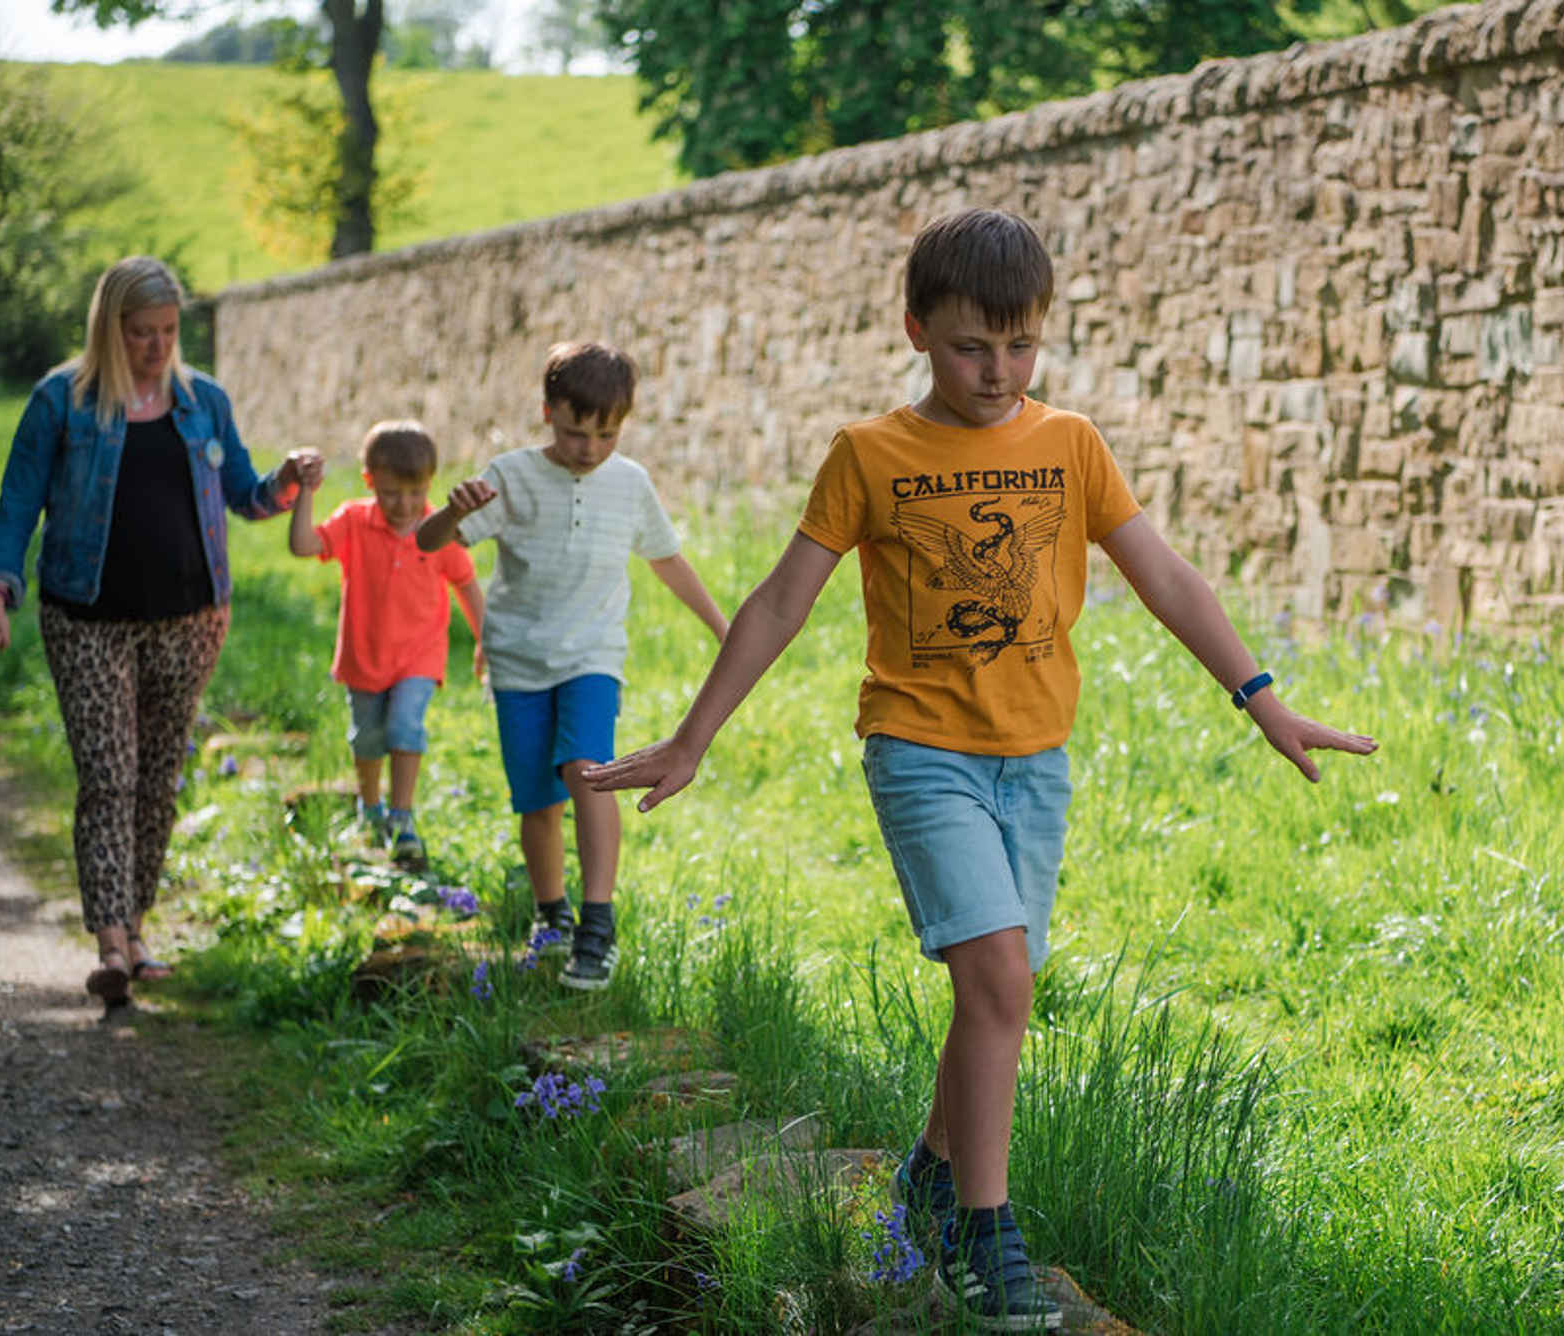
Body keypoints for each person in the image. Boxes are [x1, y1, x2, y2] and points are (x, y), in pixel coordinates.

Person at [583, 208, 1377, 1330]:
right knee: (999, 980)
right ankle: (981, 1233)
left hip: (1035, 764)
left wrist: (1261, 699)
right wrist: (691, 737)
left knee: (992, 997)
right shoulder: (870, 455)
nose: (996, 372)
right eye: (968, 346)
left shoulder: (1070, 445)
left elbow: (1165, 577)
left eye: (1019, 346)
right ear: (915, 329)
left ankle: (922, 1177)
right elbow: (777, 602)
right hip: (920, 752)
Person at [0, 255, 321, 1010]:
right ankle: (112, 943)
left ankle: (139, 922)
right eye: (139, 333)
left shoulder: (202, 402)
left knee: (158, 778)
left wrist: (288, 482)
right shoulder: (62, 402)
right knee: (108, 777)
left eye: (166, 331)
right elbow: (18, 503)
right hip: (85, 617)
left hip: (190, 619)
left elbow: (244, 497)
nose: (156, 347)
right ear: (108, 328)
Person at [416, 341, 729, 990]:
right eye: (573, 431)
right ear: (547, 412)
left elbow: (667, 558)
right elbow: (427, 543)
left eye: (606, 434)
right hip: (518, 660)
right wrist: (452, 510)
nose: (589, 448)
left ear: (625, 423)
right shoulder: (511, 474)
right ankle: (550, 913)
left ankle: (597, 922)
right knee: (537, 802)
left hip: (592, 655)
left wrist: (725, 629)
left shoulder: (630, 483)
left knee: (589, 772)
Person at [287, 419, 485, 866]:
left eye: (416, 494)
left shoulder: (438, 529)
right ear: (369, 482)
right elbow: (302, 545)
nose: (405, 505)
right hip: (364, 656)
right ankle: (369, 809)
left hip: (418, 656)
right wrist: (305, 493)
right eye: (392, 493)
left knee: (404, 727)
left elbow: (467, 584)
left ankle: (401, 817)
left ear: (430, 485)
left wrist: (484, 640)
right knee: (368, 738)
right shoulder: (355, 521)